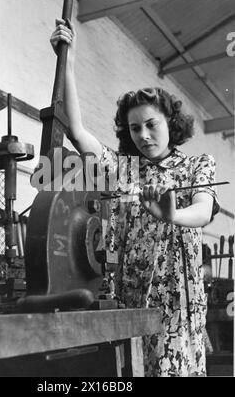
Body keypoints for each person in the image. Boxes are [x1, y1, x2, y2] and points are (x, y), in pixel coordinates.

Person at [50, 19, 219, 377]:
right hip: (132, 300)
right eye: (134, 128)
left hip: (179, 303)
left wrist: (171, 215)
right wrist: (69, 61)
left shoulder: (196, 165)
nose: (143, 135)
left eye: (151, 124)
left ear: (169, 123)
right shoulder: (129, 172)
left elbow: (204, 211)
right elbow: (79, 134)